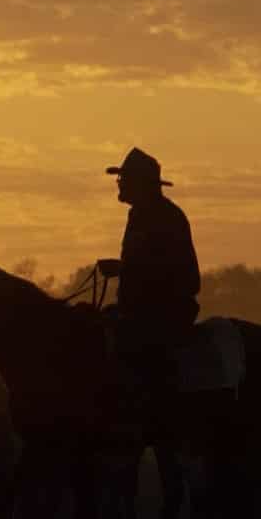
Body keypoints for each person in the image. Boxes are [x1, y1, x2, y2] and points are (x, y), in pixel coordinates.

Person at [95, 148, 199, 368]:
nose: (119, 183)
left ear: (139, 183)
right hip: (138, 312)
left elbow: (180, 276)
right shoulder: (141, 214)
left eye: (123, 178)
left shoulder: (166, 216)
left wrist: (122, 269)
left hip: (163, 315)